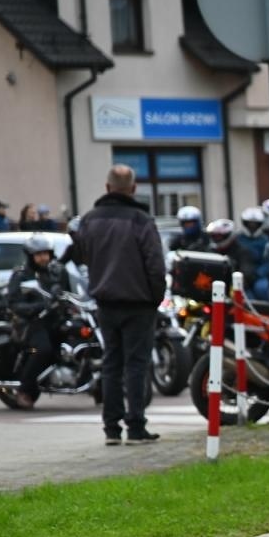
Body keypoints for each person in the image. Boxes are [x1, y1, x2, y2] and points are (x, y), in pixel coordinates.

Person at [70, 164, 165, 445]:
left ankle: (111, 429)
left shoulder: (90, 221)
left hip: (105, 302)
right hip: (138, 303)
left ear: (108, 187)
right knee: (136, 365)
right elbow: (155, 265)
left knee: (111, 363)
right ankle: (136, 426)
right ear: (133, 189)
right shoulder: (141, 221)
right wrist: (155, 298)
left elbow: (80, 255)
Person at [4, 235, 71, 408]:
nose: (43, 257)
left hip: (54, 320)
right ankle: (24, 389)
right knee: (41, 350)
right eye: (39, 254)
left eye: (46, 253)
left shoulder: (55, 272)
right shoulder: (21, 275)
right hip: (29, 323)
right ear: (30, 256)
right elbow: (13, 303)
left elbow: (69, 292)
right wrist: (39, 306)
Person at [233, 206, 269, 302]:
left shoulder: (265, 240)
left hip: (258, 274)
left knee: (262, 289)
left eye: (255, 224)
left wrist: (257, 274)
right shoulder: (237, 238)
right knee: (245, 295)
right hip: (242, 275)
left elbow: (267, 261)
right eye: (249, 224)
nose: (252, 227)